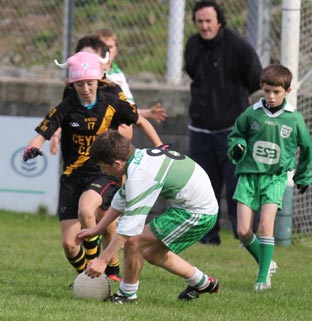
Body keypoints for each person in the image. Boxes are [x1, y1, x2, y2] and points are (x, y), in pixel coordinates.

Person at [23, 51, 163, 283]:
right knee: (69, 244)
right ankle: (90, 279)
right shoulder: (66, 107)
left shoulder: (112, 101)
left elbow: (142, 121)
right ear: (72, 84)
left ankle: (104, 268)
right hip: (71, 176)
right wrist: (33, 147)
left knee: (87, 211)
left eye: (90, 83)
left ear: (98, 80)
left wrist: (161, 149)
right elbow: (43, 132)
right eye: (80, 84)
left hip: (103, 172)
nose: (86, 88)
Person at [77, 130, 220, 304]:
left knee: (134, 242)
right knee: (152, 253)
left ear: (116, 163)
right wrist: (97, 229)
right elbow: (122, 198)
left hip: (197, 213)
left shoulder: (140, 176)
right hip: (189, 206)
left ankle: (127, 295)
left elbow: (128, 230)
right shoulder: (137, 159)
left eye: (102, 166)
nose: (102, 170)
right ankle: (203, 283)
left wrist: (102, 260)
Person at [227, 64, 312, 291]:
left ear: (288, 90)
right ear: (261, 88)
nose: (271, 96)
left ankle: (262, 278)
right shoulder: (251, 113)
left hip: (275, 178)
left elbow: (307, 149)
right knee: (244, 231)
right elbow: (237, 135)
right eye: (267, 91)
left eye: (276, 92)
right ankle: (268, 263)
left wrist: (303, 176)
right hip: (248, 176)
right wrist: (238, 147)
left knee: (266, 226)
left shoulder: (294, 119)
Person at [185, 0, 262, 244]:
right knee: (204, 187)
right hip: (200, 129)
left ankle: (246, 237)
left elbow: (255, 76)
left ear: (219, 21)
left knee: (237, 186)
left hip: (233, 131)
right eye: (200, 21)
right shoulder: (192, 45)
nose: (205, 26)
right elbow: (192, 72)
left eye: (209, 21)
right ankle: (208, 238)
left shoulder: (238, 46)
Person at [94, 28, 168, 124]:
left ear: (116, 50)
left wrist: (148, 113)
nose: (107, 51)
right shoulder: (92, 74)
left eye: (110, 47)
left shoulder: (118, 74)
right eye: (103, 47)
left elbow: (127, 108)